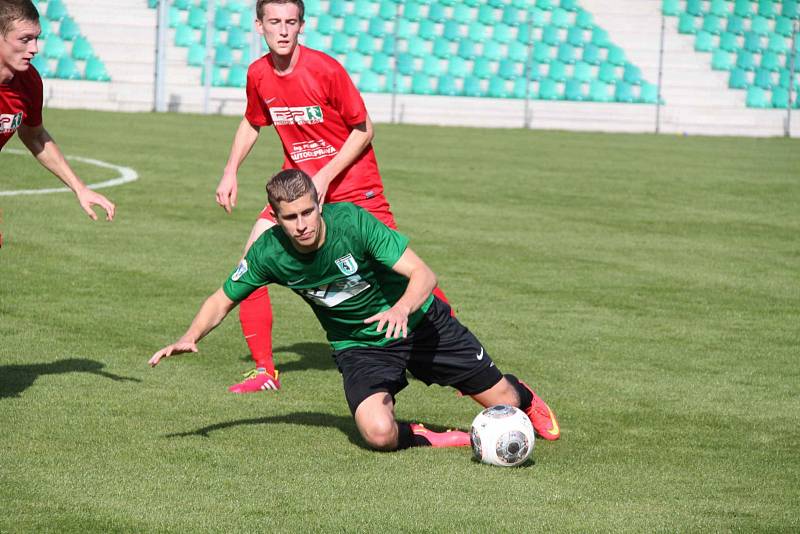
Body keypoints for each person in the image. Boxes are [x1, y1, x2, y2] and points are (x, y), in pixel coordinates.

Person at [150, 170, 561, 451]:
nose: (302, 224)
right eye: (290, 218)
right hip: (359, 345)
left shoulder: (353, 223)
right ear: (275, 218)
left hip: (418, 323)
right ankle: (436, 437)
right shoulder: (269, 253)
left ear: (320, 203)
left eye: (308, 211)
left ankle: (522, 394)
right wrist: (190, 336)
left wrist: (400, 309)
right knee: (378, 434)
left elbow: (423, 274)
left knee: (502, 401)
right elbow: (222, 297)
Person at [214, 0, 449, 394]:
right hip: (299, 197)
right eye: (275, 22)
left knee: (400, 270)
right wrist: (230, 169)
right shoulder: (258, 74)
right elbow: (254, 121)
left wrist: (323, 176)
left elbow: (364, 129)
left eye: (291, 22)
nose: (283, 30)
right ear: (259, 26)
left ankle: (453, 349)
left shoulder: (324, 69)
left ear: (301, 26)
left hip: (355, 187)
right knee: (251, 261)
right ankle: (264, 370)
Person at [0, 0, 115, 227]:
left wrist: (79, 187)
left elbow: (34, 135)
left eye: (36, 38)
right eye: (24, 39)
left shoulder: (29, 82)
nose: (34, 48)